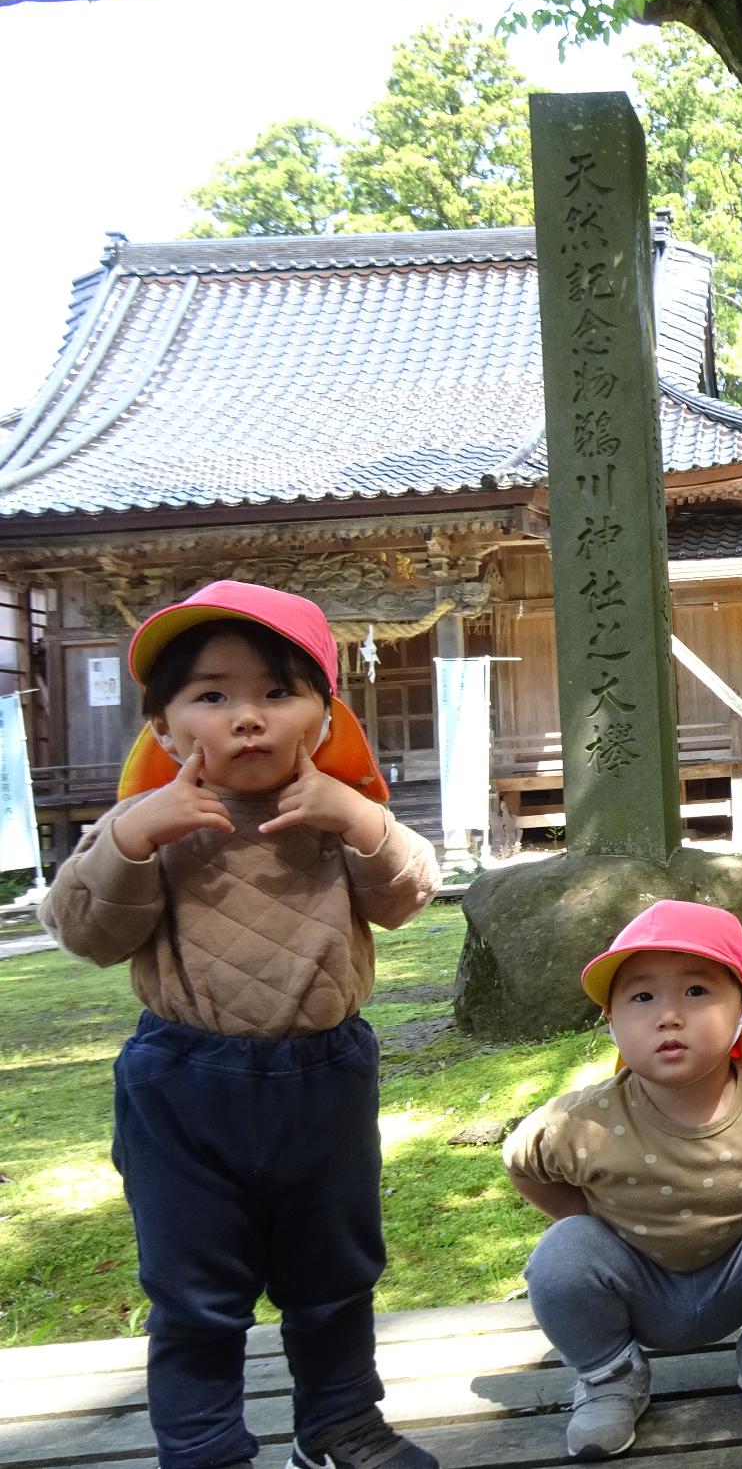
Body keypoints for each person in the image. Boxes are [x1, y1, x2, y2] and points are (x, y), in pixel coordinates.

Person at [38, 580, 442, 1469]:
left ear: (323, 721)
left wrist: (363, 822)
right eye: (211, 695)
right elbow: (84, 935)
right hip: (183, 1087)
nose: (246, 717)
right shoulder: (141, 825)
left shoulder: (340, 816)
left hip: (324, 1081)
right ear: (165, 728)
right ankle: (203, 1445)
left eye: (277, 692)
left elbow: (410, 895)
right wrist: (134, 840)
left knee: (335, 1277)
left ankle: (339, 1424)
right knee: (192, 1291)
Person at [503, 900, 742, 1461]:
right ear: (611, 1023)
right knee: (562, 1254)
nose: (668, 1016)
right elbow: (521, 1162)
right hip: (636, 1288)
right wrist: (586, 1228)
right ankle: (610, 1378)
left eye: (697, 992)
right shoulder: (580, 1122)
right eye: (641, 997)